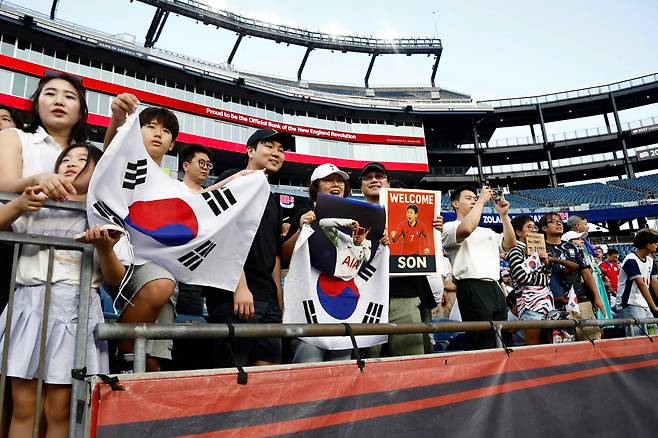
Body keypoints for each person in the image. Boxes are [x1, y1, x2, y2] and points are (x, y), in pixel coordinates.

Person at [0, 143, 107, 438]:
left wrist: (104, 245)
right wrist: (19, 205)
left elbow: (113, 274)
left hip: (75, 310)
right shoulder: (36, 205)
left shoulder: (103, 213)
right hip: (30, 307)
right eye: (65, 160)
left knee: (59, 408)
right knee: (24, 405)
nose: (72, 163)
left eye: (83, 159)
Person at [102, 95, 180, 371]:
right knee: (161, 284)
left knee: (153, 362)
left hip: (156, 266)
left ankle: (133, 360)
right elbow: (110, 150)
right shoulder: (121, 164)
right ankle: (123, 350)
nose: (158, 133)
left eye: (166, 130)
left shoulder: (174, 186)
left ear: (172, 145)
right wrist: (118, 119)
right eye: (150, 126)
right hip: (117, 259)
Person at [205, 128, 292, 367]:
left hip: (267, 299)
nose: (276, 153)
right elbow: (222, 234)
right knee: (233, 375)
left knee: (268, 370)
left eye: (281, 150)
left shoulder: (273, 198)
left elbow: (274, 254)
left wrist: (278, 300)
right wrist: (239, 286)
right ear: (250, 151)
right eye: (269, 146)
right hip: (234, 295)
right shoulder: (235, 179)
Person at [360, 162, 442, 357]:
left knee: (409, 361)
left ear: (388, 183)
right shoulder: (350, 214)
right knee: (368, 363)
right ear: (361, 186)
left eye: (379, 177)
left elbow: (425, 247)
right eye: (367, 177)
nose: (373, 180)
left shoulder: (411, 212)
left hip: (404, 295)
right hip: (364, 298)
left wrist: (434, 229)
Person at [281, 163, 353, 363]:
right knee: (309, 363)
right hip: (309, 308)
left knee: (342, 368)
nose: (335, 184)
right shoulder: (304, 214)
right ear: (316, 186)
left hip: (343, 307)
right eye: (328, 180)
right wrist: (301, 229)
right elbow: (285, 255)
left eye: (339, 180)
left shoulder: (355, 220)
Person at [442, 185, 516, 350]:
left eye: (475, 198)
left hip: (494, 287)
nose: (474, 201)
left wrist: (504, 216)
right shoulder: (449, 226)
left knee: (500, 338)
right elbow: (467, 228)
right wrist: (481, 200)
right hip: (471, 285)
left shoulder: (487, 231)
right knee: (482, 340)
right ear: (455, 204)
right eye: (469, 198)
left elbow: (510, 243)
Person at [540, 213, 604, 341]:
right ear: (544, 228)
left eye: (560, 221)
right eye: (553, 221)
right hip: (555, 306)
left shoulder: (573, 246)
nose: (559, 223)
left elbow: (586, 272)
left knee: (593, 342)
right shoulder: (540, 250)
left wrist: (597, 297)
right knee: (564, 348)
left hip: (581, 300)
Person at [505, 215, 553, 345]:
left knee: (546, 344)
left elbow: (548, 278)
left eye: (534, 227)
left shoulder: (537, 251)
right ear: (518, 232)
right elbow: (521, 276)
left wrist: (546, 264)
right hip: (530, 304)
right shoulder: (516, 251)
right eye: (529, 227)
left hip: (545, 304)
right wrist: (542, 278)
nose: (533, 230)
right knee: (533, 345)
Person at [616, 229, 658, 336]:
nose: (657, 245)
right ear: (648, 245)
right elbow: (640, 283)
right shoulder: (631, 259)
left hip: (642, 303)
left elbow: (654, 282)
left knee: (653, 332)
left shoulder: (650, 260)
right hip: (630, 303)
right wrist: (654, 306)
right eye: (655, 242)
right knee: (637, 336)